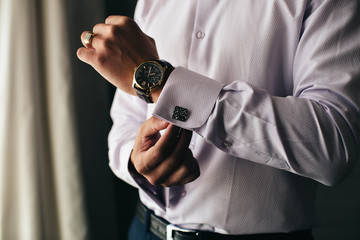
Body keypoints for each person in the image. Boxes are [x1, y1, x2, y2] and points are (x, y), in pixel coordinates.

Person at [77, 1, 360, 239]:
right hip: (145, 229)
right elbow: (124, 124)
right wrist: (135, 161)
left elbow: (333, 145)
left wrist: (163, 83)